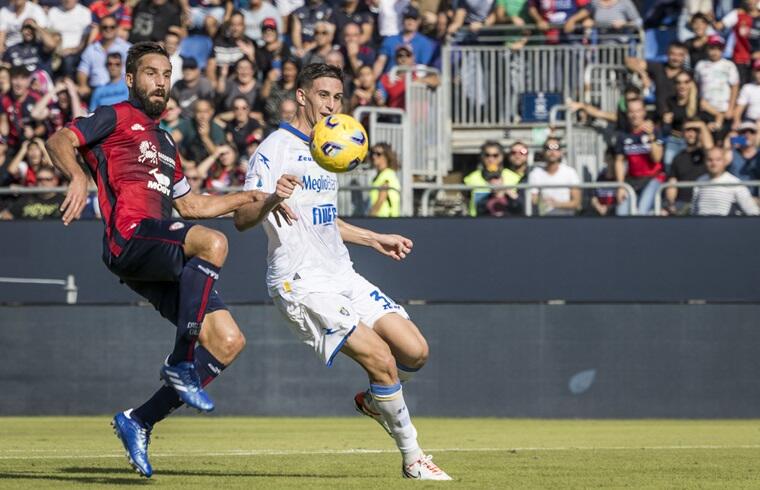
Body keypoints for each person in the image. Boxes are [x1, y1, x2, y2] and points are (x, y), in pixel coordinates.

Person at [45, 41, 294, 479]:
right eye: (150, 73)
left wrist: (253, 197)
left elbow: (192, 207)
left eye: (165, 74)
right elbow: (60, 138)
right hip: (131, 236)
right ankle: (180, 361)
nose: (160, 81)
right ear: (130, 79)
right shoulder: (117, 116)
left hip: (160, 252)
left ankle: (138, 420)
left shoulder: (165, 142)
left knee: (228, 341)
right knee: (213, 244)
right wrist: (79, 177)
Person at [233, 63, 452, 481]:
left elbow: (324, 219)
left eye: (337, 97)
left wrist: (373, 238)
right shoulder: (274, 149)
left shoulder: (329, 147)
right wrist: (269, 200)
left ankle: (375, 402)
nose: (331, 105)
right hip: (300, 282)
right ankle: (413, 458)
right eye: (322, 96)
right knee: (382, 360)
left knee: (414, 352)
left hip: (341, 274)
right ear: (301, 96)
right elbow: (242, 218)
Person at [614, 98, 666, 215]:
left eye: (638, 111)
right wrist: (620, 186)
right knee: (621, 212)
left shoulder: (655, 131)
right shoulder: (623, 135)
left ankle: (660, 214)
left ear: (644, 112)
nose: (635, 115)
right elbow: (619, 161)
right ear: (627, 113)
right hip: (633, 181)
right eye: (631, 111)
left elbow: (657, 158)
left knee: (642, 212)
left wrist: (651, 137)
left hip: (653, 178)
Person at [694, 35, 739, 142]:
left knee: (721, 140)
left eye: (719, 49)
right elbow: (697, 86)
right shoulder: (700, 65)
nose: (715, 52)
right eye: (712, 48)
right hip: (707, 109)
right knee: (705, 139)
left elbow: (735, 87)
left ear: (723, 50)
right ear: (707, 49)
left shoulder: (729, 65)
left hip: (723, 109)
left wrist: (731, 108)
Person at [691, 147, 760, 215]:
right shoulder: (700, 181)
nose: (714, 163)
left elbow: (752, 212)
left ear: (725, 161)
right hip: (701, 224)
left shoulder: (735, 183)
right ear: (705, 161)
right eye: (710, 160)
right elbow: (693, 211)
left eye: (718, 160)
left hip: (724, 224)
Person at [664, 118, 712, 215]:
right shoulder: (677, 158)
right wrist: (671, 204)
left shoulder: (705, 154)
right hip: (682, 203)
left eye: (694, 131)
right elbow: (672, 183)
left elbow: (709, 147)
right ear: (683, 133)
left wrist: (702, 125)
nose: (691, 134)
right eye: (688, 131)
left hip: (703, 201)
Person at [76, 16, 132, 98]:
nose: (108, 29)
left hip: (121, 91)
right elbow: (82, 70)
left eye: (112, 27)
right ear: (99, 29)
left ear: (117, 29)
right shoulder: (91, 49)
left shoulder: (127, 48)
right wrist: (83, 85)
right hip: (97, 91)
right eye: (104, 27)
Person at [527, 136, 581, 216]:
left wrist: (556, 204)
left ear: (561, 152)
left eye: (556, 147)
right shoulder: (535, 173)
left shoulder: (570, 172)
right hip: (543, 221)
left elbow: (577, 203)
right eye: (548, 148)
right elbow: (533, 200)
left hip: (567, 220)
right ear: (543, 152)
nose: (552, 151)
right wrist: (541, 202)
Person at [463, 140, 515, 216]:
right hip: (477, 222)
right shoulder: (470, 178)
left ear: (502, 157)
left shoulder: (513, 177)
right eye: (487, 155)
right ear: (482, 157)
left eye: (495, 155)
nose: (491, 159)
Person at [368, 142, 401, 217]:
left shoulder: (387, 174)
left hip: (386, 220)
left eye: (378, 154)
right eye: (372, 153)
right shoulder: (379, 176)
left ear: (386, 156)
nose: (374, 156)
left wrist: (370, 216)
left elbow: (381, 199)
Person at [733, 59, 760, 130]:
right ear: (753, 72)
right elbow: (739, 109)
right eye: (758, 71)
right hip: (750, 122)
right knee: (732, 136)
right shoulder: (747, 88)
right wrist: (736, 121)